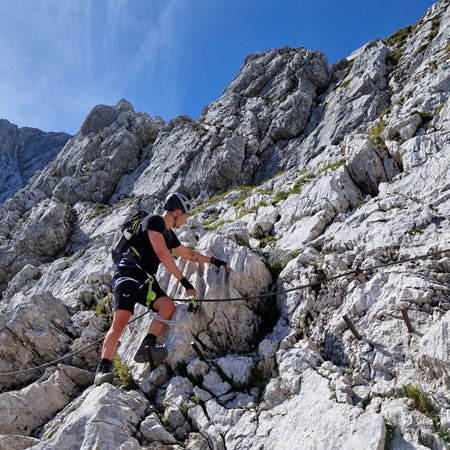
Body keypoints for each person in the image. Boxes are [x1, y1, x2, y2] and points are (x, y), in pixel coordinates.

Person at [94, 192, 229, 386]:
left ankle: (147, 345)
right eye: (185, 215)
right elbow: (161, 252)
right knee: (121, 320)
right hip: (128, 274)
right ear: (176, 212)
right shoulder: (154, 221)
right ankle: (103, 368)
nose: (186, 220)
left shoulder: (169, 235)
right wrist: (184, 281)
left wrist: (214, 261)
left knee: (167, 306)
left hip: (144, 279)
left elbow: (188, 254)